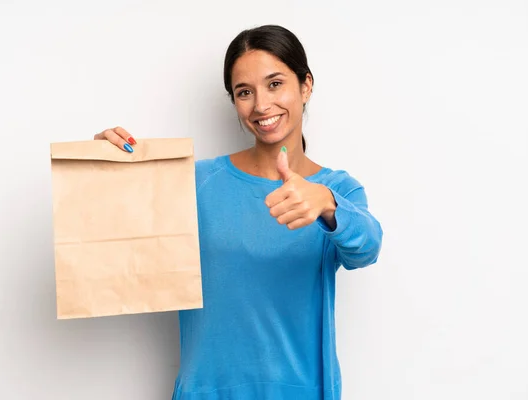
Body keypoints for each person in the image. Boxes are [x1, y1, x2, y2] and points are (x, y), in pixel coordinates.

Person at [94, 24, 383, 400]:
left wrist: (327, 204)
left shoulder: (337, 190)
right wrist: (99, 166)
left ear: (306, 85)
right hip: (206, 392)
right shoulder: (196, 182)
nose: (261, 105)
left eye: (275, 84)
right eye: (245, 92)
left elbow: (367, 248)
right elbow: (113, 235)